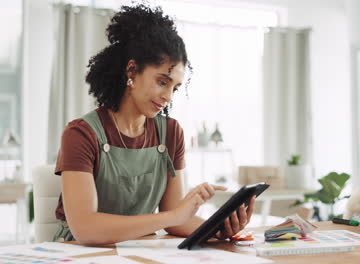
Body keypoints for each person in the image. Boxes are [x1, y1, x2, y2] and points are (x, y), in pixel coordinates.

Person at [53, 4, 255, 245]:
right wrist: (171, 216)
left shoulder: (170, 133)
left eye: (175, 88)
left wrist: (219, 228)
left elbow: (176, 221)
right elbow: (86, 229)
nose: (168, 96)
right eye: (162, 82)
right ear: (132, 70)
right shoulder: (81, 134)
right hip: (79, 253)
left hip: (139, 249)